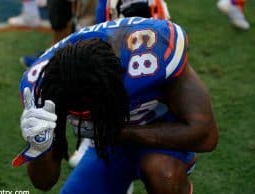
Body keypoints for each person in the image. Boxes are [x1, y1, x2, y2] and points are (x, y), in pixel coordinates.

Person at [12, 17, 219, 194]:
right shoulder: (48, 85)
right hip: (107, 145)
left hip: (160, 132)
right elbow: (43, 182)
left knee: (163, 173)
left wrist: (118, 131)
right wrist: (40, 147)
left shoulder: (153, 50)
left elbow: (206, 136)